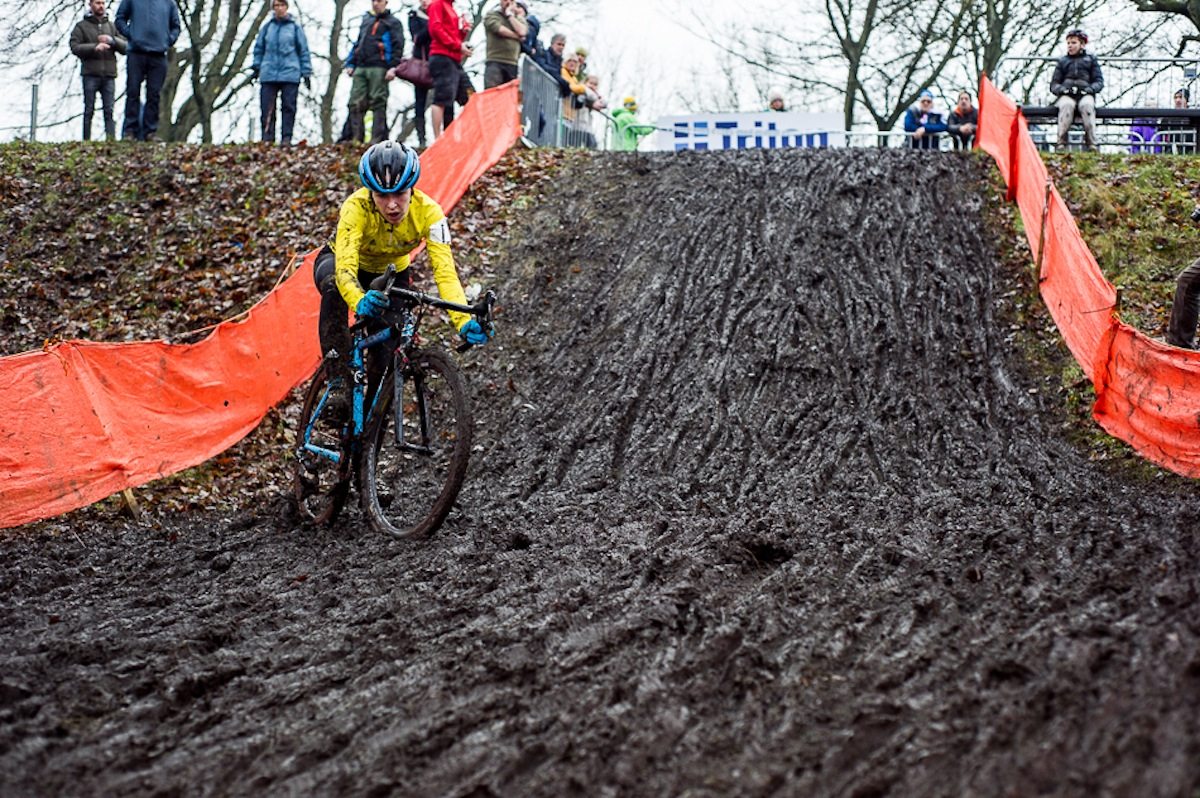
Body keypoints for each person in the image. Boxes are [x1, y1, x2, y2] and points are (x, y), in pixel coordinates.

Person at [313, 141, 492, 412]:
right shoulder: (355, 207)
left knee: (386, 355)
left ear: (412, 189)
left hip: (390, 272)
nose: (392, 205)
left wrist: (462, 320)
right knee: (333, 289)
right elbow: (345, 270)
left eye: (399, 194)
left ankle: (371, 422)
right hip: (340, 263)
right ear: (370, 193)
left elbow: (445, 274)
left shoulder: (430, 214)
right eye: (381, 196)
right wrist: (358, 300)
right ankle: (338, 382)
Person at [114, 0, 180, 141]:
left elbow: (176, 26)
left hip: (159, 54)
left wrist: (168, 40)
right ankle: (130, 131)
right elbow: (120, 19)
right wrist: (131, 34)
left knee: (154, 95)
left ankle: (150, 132)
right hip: (136, 53)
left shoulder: (169, 2)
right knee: (133, 91)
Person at [251, 0, 312, 147]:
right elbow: (259, 49)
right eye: (276, 6)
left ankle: (286, 139)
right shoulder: (267, 28)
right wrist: (256, 68)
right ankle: (267, 139)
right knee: (267, 108)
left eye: (282, 5)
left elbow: (303, 51)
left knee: (289, 107)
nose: (279, 8)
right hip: (268, 74)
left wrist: (306, 73)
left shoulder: (295, 28)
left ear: (287, 7)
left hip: (290, 74)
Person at [345, 0, 406, 145]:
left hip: (380, 67)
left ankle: (376, 140)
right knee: (355, 102)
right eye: (373, 1)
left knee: (378, 102)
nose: (375, 4)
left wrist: (393, 67)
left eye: (379, 1)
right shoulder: (366, 20)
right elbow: (358, 42)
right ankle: (356, 139)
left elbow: (398, 46)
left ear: (386, 2)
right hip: (361, 66)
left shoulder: (393, 22)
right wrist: (350, 62)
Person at [70, 0, 128, 142]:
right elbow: (75, 47)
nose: (101, 6)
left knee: (109, 111)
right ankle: (86, 141)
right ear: (90, 4)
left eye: (103, 3)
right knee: (89, 110)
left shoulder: (112, 26)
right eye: (97, 3)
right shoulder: (81, 26)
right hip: (90, 74)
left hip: (109, 75)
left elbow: (126, 47)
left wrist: (112, 40)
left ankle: (111, 141)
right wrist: (94, 47)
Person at [1049, 28, 1103, 152]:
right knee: (1066, 106)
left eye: (1073, 43)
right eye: (1068, 43)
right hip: (1067, 94)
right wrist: (1062, 90)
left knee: (1087, 106)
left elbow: (1099, 81)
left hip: (1085, 93)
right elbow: (1054, 84)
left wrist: (1090, 89)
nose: (1070, 46)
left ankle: (1092, 143)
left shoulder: (1091, 60)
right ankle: (1061, 142)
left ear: (1082, 44)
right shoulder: (1063, 61)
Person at [427, 0, 473, 139]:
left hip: (454, 59)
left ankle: (464, 136)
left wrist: (462, 32)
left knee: (470, 97)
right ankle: (437, 139)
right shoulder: (437, 4)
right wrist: (458, 46)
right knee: (442, 98)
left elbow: (452, 35)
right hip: (442, 57)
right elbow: (436, 29)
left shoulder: (451, 8)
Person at [483, 0, 527, 89]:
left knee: (509, 94)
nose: (508, 2)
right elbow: (499, 29)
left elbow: (522, 31)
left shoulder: (518, 18)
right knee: (492, 92)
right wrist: (517, 37)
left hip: (512, 63)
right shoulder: (492, 15)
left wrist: (510, 15)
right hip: (495, 61)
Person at [408, 0, 431, 147]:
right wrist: (433, 24)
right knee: (420, 102)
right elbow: (417, 38)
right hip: (422, 64)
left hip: (440, 62)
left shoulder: (441, 13)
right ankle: (421, 138)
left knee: (443, 101)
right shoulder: (414, 15)